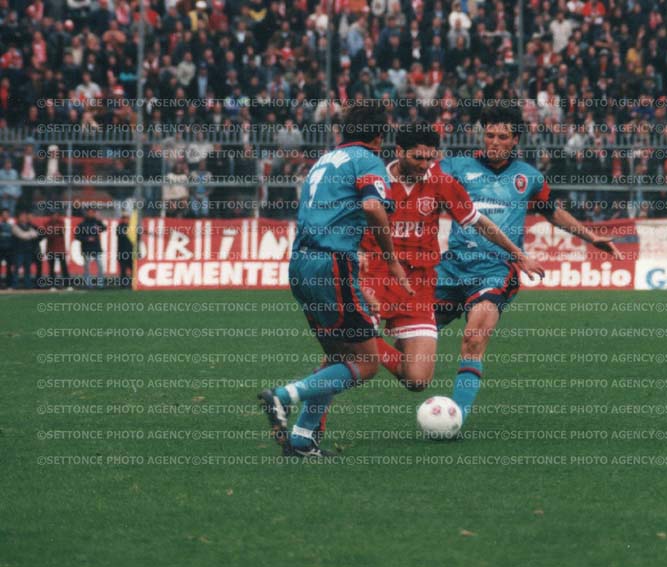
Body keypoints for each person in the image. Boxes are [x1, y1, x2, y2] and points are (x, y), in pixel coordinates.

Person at [434, 102, 622, 424]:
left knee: (474, 339)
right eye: (489, 135)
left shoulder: (528, 177)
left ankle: (456, 417)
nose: (494, 142)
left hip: (496, 270)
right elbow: (418, 185)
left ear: (515, 140)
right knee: (410, 338)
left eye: (502, 137)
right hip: (451, 268)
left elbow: (552, 211)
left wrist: (591, 237)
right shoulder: (455, 167)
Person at [258, 101, 412, 458]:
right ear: (380, 135)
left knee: (338, 356)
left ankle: (302, 440)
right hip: (332, 264)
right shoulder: (368, 160)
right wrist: (391, 261)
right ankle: (284, 396)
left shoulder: (323, 161)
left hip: (301, 263)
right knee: (367, 363)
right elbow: (373, 207)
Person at [359, 122, 544, 391]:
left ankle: (355, 343)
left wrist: (518, 254)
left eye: (430, 158)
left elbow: (478, 221)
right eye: (418, 158)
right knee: (357, 357)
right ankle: (341, 358)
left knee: (417, 379)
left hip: (418, 284)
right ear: (399, 151)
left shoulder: (441, 182)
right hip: (375, 274)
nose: (425, 165)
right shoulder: (375, 180)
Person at [74, 208, 106, 288]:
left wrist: (99, 220)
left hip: (96, 248)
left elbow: (104, 228)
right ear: (87, 213)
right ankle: (88, 284)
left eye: (92, 212)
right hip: (86, 248)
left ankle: (100, 284)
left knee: (100, 266)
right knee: (87, 267)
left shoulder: (97, 222)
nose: (91, 214)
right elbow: (77, 236)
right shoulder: (82, 224)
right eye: (89, 212)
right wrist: (87, 239)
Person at [11, 211, 40, 289]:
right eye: (22, 216)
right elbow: (22, 235)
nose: (23, 218)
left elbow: (36, 234)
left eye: (24, 216)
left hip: (28, 251)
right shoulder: (15, 226)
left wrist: (28, 234)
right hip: (19, 251)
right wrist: (29, 234)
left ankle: (28, 285)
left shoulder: (29, 226)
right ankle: (15, 284)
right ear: (18, 217)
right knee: (17, 268)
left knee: (27, 269)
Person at [44, 210, 70, 289]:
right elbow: (48, 233)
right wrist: (56, 231)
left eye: (56, 215)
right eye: (53, 215)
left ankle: (67, 284)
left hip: (60, 249)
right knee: (51, 268)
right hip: (51, 249)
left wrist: (53, 231)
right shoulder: (47, 223)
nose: (54, 216)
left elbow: (61, 231)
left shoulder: (61, 222)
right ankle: (52, 285)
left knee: (64, 267)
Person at [116, 211, 134, 287]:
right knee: (123, 269)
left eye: (127, 218)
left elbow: (137, 238)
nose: (126, 220)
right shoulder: (119, 227)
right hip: (122, 252)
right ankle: (123, 284)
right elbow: (121, 235)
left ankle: (133, 284)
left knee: (133, 269)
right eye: (124, 218)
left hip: (131, 252)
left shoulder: (132, 227)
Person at [0, 209, 14, 288]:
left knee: (9, 267)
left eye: (6, 214)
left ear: (8, 216)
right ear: (1, 216)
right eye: (4, 214)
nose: (5, 216)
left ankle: (9, 285)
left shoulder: (11, 226)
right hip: (0, 249)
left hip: (9, 249)